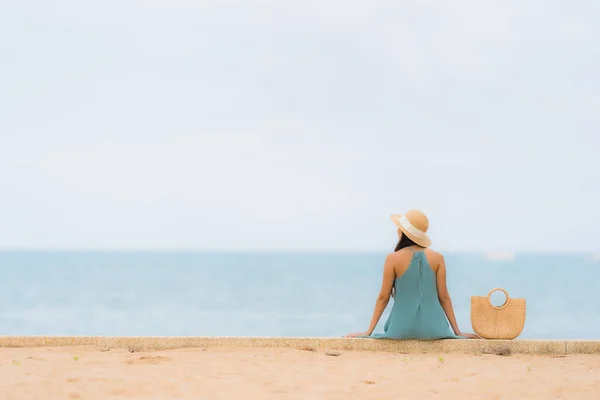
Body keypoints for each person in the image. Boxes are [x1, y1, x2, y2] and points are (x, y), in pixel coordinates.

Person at [346, 209, 479, 339]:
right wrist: (457, 332)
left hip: (400, 329)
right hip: (435, 328)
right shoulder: (438, 258)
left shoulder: (392, 259)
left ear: (402, 232)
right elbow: (444, 297)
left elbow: (383, 297)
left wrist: (368, 331)